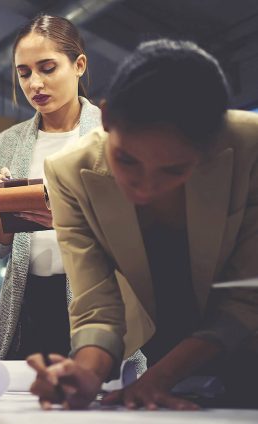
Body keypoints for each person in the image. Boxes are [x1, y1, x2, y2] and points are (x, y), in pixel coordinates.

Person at [30, 39, 258, 410]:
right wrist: (84, 372)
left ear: (212, 146)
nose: (145, 187)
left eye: (173, 170)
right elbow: (96, 303)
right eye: (127, 160)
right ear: (106, 118)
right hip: (164, 354)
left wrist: (160, 378)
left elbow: (249, 295)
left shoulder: (252, 147)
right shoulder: (68, 173)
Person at [0, 14, 96, 360]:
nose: (35, 84)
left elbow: (135, 234)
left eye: (47, 69)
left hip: (95, 300)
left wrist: (67, 219)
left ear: (78, 66)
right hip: (27, 301)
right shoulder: (6, 143)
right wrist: (3, 209)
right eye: (24, 73)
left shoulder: (110, 135)